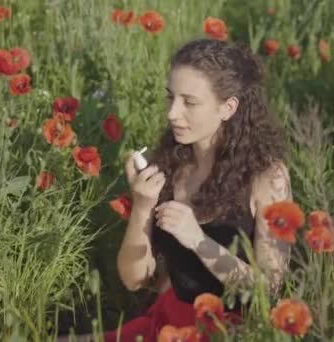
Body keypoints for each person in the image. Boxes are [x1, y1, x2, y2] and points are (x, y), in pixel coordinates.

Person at [107, 38, 293, 341]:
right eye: (171, 98)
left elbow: (268, 289)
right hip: (170, 322)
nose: (172, 114)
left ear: (228, 107)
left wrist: (197, 240)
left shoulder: (267, 178)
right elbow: (135, 279)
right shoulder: (170, 165)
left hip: (231, 331)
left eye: (189, 102)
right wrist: (142, 205)